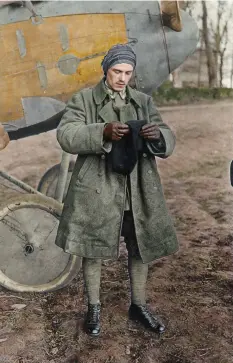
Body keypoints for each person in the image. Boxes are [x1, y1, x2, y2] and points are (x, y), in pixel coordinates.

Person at [55, 43, 179, 337]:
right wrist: (102, 132)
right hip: (97, 189)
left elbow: (169, 136)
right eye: (116, 71)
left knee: (140, 247)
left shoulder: (143, 102)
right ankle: (94, 308)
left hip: (137, 190)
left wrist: (158, 135)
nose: (122, 78)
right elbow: (66, 134)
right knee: (92, 248)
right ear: (105, 70)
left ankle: (138, 305)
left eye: (127, 72)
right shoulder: (84, 100)